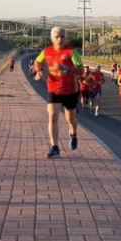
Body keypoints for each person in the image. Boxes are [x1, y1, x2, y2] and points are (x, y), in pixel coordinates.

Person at [32, 27, 83, 158]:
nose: (60, 39)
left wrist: (66, 68)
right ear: (52, 38)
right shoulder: (47, 51)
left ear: (65, 37)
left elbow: (81, 70)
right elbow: (38, 61)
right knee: (52, 117)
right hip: (53, 89)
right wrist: (38, 71)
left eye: (62, 36)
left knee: (70, 119)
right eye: (57, 37)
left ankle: (73, 133)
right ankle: (55, 148)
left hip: (70, 90)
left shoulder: (71, 52)